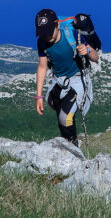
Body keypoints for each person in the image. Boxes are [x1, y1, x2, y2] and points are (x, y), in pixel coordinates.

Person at [34, 9, 102, 143]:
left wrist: (87, 50)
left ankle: (73, 150)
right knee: (59, 113)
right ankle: (69, 144)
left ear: (57, 25)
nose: (47, 36)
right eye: (43, 34)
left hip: (77, 79)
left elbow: (95, 58)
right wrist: (39, 96)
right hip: (58, 80)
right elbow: (42, 67)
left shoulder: (73, 34)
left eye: (49, 32)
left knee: (64, 118)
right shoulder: (42, 42)